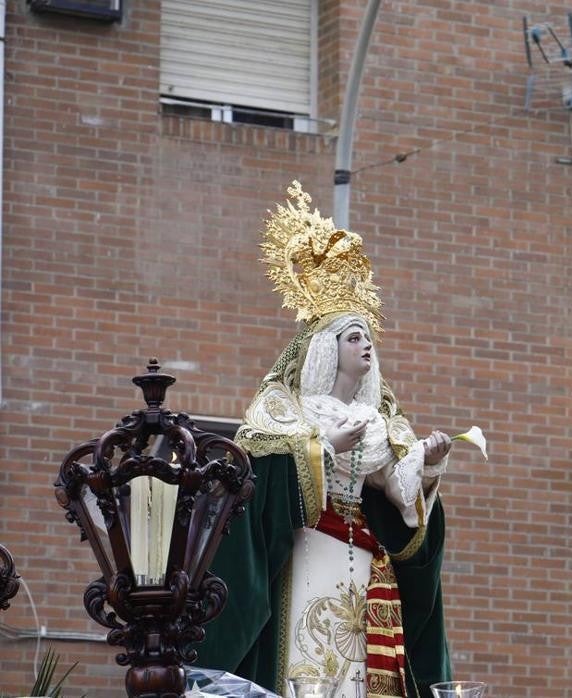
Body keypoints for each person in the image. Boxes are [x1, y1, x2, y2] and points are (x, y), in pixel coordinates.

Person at [196, 182, 454, 698]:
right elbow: (260, 487)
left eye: (368, 338)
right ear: (324, 350)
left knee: (359, 672)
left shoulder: (382, 421)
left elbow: (398, 496)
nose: (366, 346)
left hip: (367, 563)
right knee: (313, 662)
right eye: (353, 337)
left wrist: (423, 468)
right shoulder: (285, 411)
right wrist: (322, 448)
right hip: (311, 551)